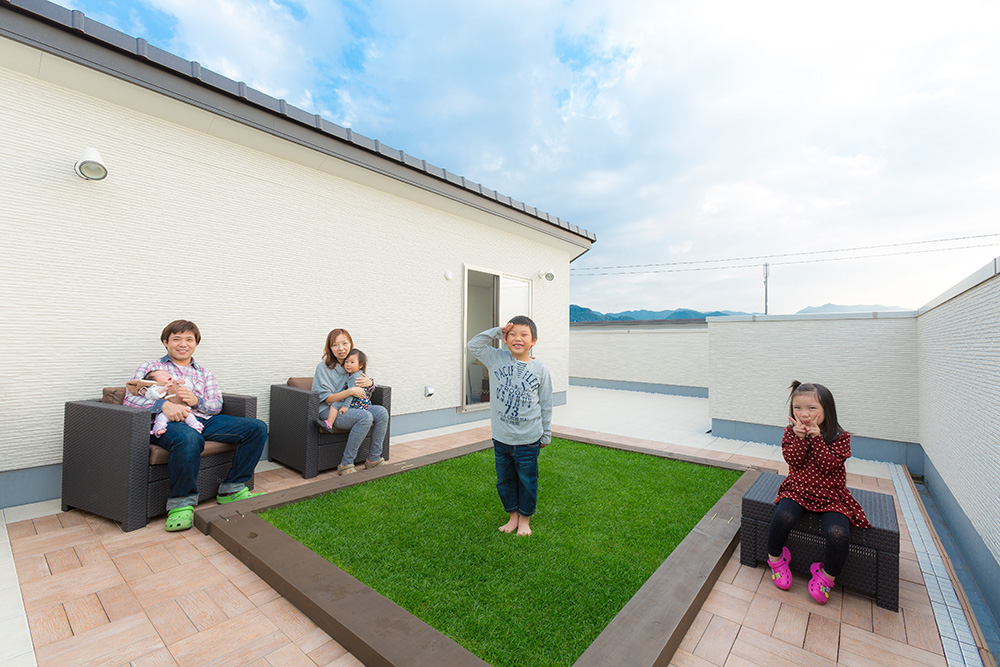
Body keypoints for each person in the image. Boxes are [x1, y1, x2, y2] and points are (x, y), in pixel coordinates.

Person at [124, 320, 268, 532]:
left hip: (202, 419)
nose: (183, 344)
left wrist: (196, 401)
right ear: (166, 342)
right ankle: (181, 502)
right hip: (167, 424)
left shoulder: (204, 373)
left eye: (189, 339)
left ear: (196, 344)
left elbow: (216, 405)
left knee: (257, 428)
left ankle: (233, 487)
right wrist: (163, 405)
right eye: (176, 339)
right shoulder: (150, 367)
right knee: (190, 438)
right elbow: (130, 399)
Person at [765, 381, 871, 604]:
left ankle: (826, 576)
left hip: (831, 495)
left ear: (827, 410)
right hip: (798, 489)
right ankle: (776, 559)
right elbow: (793, 460)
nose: (804, 414)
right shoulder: (790, 433)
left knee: (838, 534)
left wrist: (816, 438)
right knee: (782, 516)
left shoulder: (841, 438)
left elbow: (829, 466)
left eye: (812, 408)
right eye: (798, 408)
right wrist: (800, 438)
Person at [467, 316, 552, 536]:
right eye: (512, 334)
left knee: (527, 480)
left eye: (524, 335)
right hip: (502, 438)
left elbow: (546, 403)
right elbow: (473, 344)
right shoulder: (496, 359)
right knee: (505, 480)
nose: (518, 339)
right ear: (505, 339)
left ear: (533, 340)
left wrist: (546, 433)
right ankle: (512, 517)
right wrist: (498, 330)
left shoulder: (540, 369)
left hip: (529, 439)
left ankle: (525, 519)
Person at [312, 329, 389, 475]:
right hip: (329, 409)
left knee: (381, 412)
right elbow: (326, 398)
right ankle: (346, 464)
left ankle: (373, 459)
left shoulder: (353, 363)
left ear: (350, 344)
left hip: (353, 406)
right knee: (365, 417)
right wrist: (350, 392)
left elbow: (364, 390)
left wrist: (369, 383)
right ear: (329, 348)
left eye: (344, 343)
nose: (341, 348)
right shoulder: (323, 367)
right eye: (335, 345)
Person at [129, 370, 204, 437]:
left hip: (183, 408)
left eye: (167, 374)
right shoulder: (155, 387)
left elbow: (189, 388)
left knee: (190, 417)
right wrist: (163, 389)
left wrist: (183, 383)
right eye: (163, 376)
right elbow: (154, 395)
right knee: (160, 419)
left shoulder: (175, 384)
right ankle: (158, 429)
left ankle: (196, 427)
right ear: (155, 381)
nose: (168, 375)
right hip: (165, 413)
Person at [329, 349, 373, 417]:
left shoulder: (354, 377)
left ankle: (329, 424)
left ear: (361, 365)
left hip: (356, 404)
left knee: (334, 405)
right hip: (366, 403)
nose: (348, 365)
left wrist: (345, 406)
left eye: (352, 362)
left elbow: (352, 393)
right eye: (346, 362)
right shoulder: (362, 374)